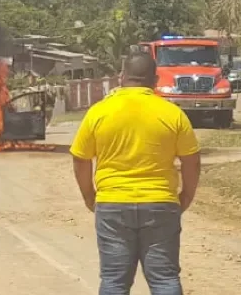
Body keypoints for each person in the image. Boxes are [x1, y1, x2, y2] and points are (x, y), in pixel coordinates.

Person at [69, 51, 201, 295]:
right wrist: (186, 197)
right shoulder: (172, 114)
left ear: (121, 77)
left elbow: (80, 158)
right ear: (156, 79)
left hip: (112, 205)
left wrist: (89, 196)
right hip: (161, 203)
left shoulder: (99, 112)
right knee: (164, 280)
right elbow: (191, 161)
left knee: (114, 282)